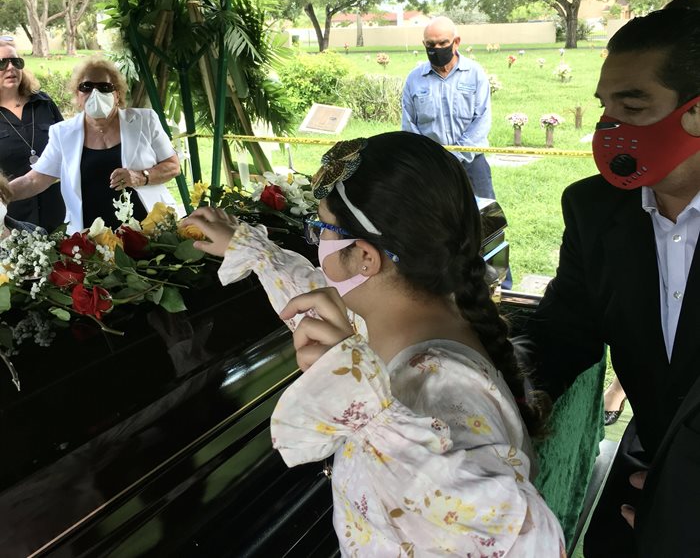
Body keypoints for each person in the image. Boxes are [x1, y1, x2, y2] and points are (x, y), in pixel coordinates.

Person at [181, 131, 565, 555]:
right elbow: (323, 299)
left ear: (365, 257)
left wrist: (372, 414)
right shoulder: (415, 315)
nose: (316, 241)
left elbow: (528, 541)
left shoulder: (436, 389)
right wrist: (254, 252)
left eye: (319, 228)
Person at [525, 6, 700, 557]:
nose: (610, 129)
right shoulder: (593, 210)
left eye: (633, 105)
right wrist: (478, 384)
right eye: (606, 107)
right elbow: (563, 331)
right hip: (648, 463)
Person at [7, 57, 180, 234]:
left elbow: (173, 166)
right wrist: (4, 192)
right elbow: (34, 180)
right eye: (86, 87)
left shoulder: (145, 121)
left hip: (149, 231)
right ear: (77, 96)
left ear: (117, 94)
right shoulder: (63, 133)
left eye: (105, 88)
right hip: (91, 242)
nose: (94, 93)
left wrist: (141, 176)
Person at [401, 16, 495, 201]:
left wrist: (455, 155)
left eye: (443, 43)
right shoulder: (414, 79)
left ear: (456, 42)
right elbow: (409, 126)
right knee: (434, 219)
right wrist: (433, 158)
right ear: (424, 44)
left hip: (472, 161)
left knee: (486, 219)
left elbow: (481, 120)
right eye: (431, 44)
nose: (436, 49)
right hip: (431, 165)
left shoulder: (475, 74)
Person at [0, 38, 65, 232]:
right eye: (2, 63)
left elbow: (68, 146)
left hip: (57, 209)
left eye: (16, 61)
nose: (11, 68)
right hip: (12, 216)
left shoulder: (43, 102)